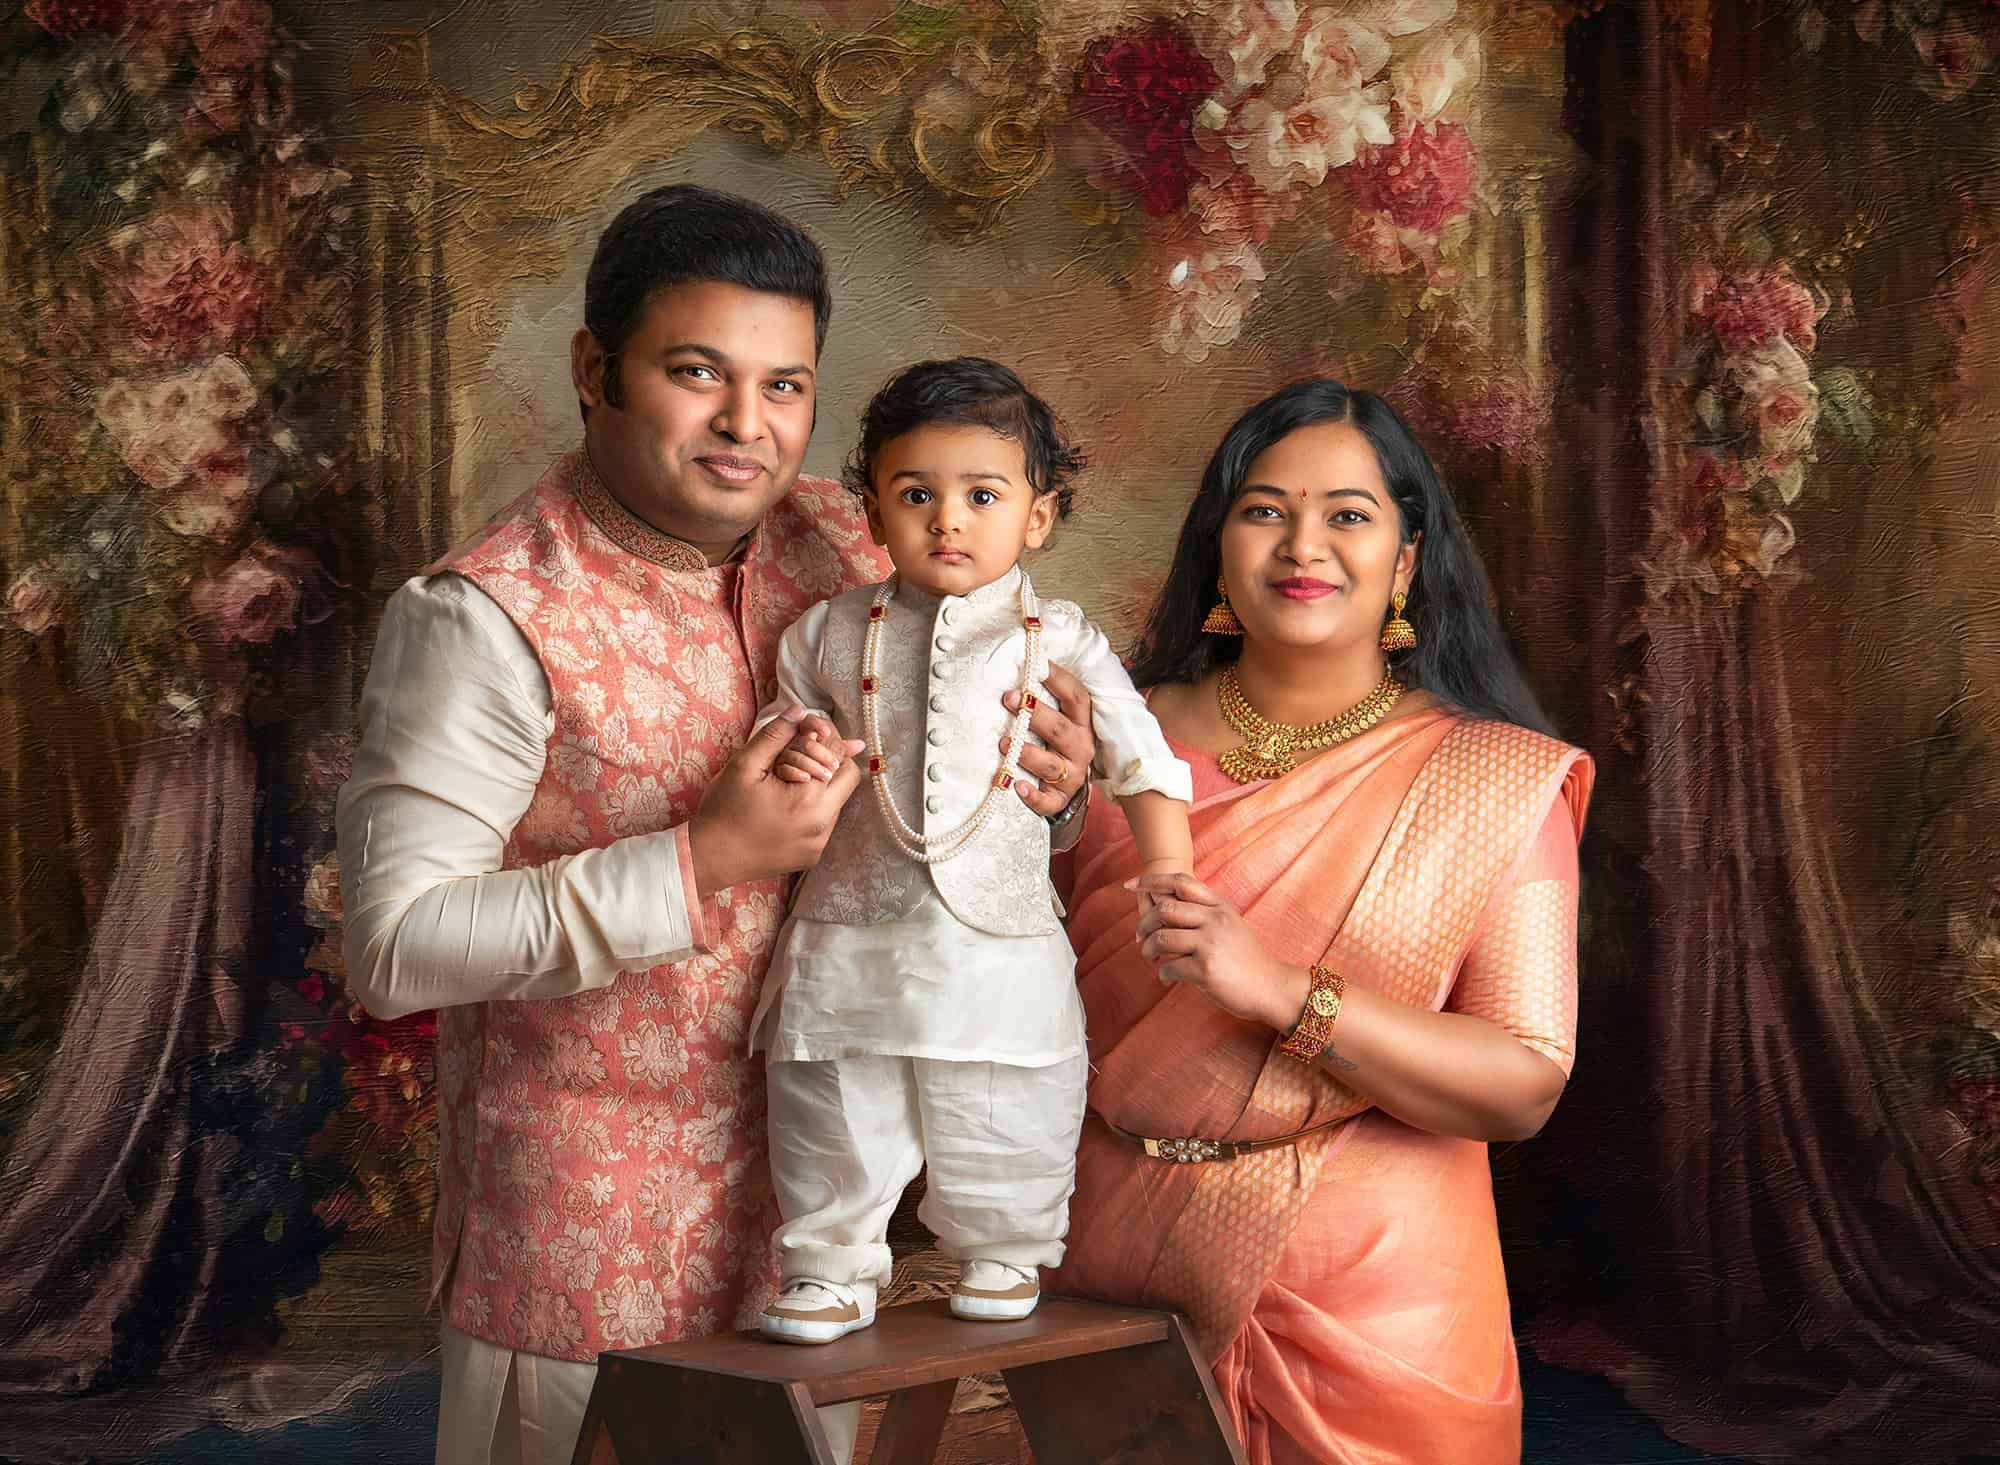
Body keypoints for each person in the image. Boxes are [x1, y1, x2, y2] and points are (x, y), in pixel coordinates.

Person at [334, 187, 1100, 1465]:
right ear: (596, 371)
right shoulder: (484, 616)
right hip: (583, 1253)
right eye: (697, 373)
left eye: (785, 385)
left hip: (829, 1241)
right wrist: (703, 861)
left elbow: (958, 787)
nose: (748, 426)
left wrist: (1054, 787)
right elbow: (396, 945)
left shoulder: (859, 535)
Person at [1046, 380, 1594, 1465]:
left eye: (1347, 514)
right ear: (1215, 546)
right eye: (1263, 510)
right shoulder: (1097, 741)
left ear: (1403, 561)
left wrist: (1282, 993)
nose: (1303, 543)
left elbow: (1524, 1077)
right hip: (1106, 1283)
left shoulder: (1487, 779)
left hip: (1376, 1309)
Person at [742, 358, 1194, 1345]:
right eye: (914, 495)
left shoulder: (1056, 639)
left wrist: (1166, 868)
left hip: (996, 932)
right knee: (831, 1089)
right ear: (871, 510)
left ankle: (1002, 1244)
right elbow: (781, 730)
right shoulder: (825, 635)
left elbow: (1138, 753)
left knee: (1006, 1087)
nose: (946, 519)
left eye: (980, 494)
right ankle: (828, 1259)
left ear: (1036, 515)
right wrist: (799, 745)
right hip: (848, 924)